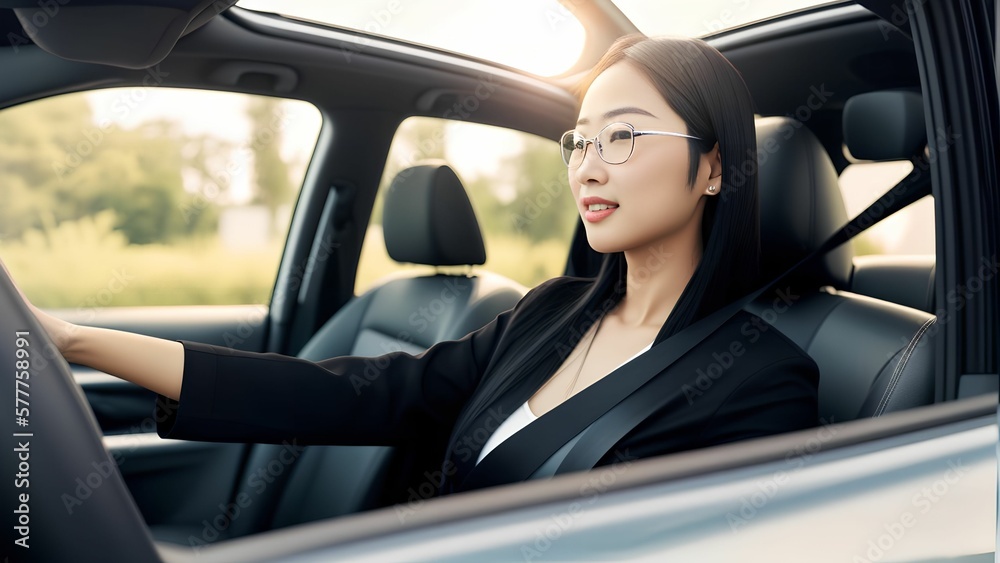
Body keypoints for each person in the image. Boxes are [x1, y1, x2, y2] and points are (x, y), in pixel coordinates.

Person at [6, 35, 818, 497]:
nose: (588, 167)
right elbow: (351, 396)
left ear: (714, 166)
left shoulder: (762, 377)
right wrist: (73, 340)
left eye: (625, 135)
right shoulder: (552, 312)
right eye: (580, 139)